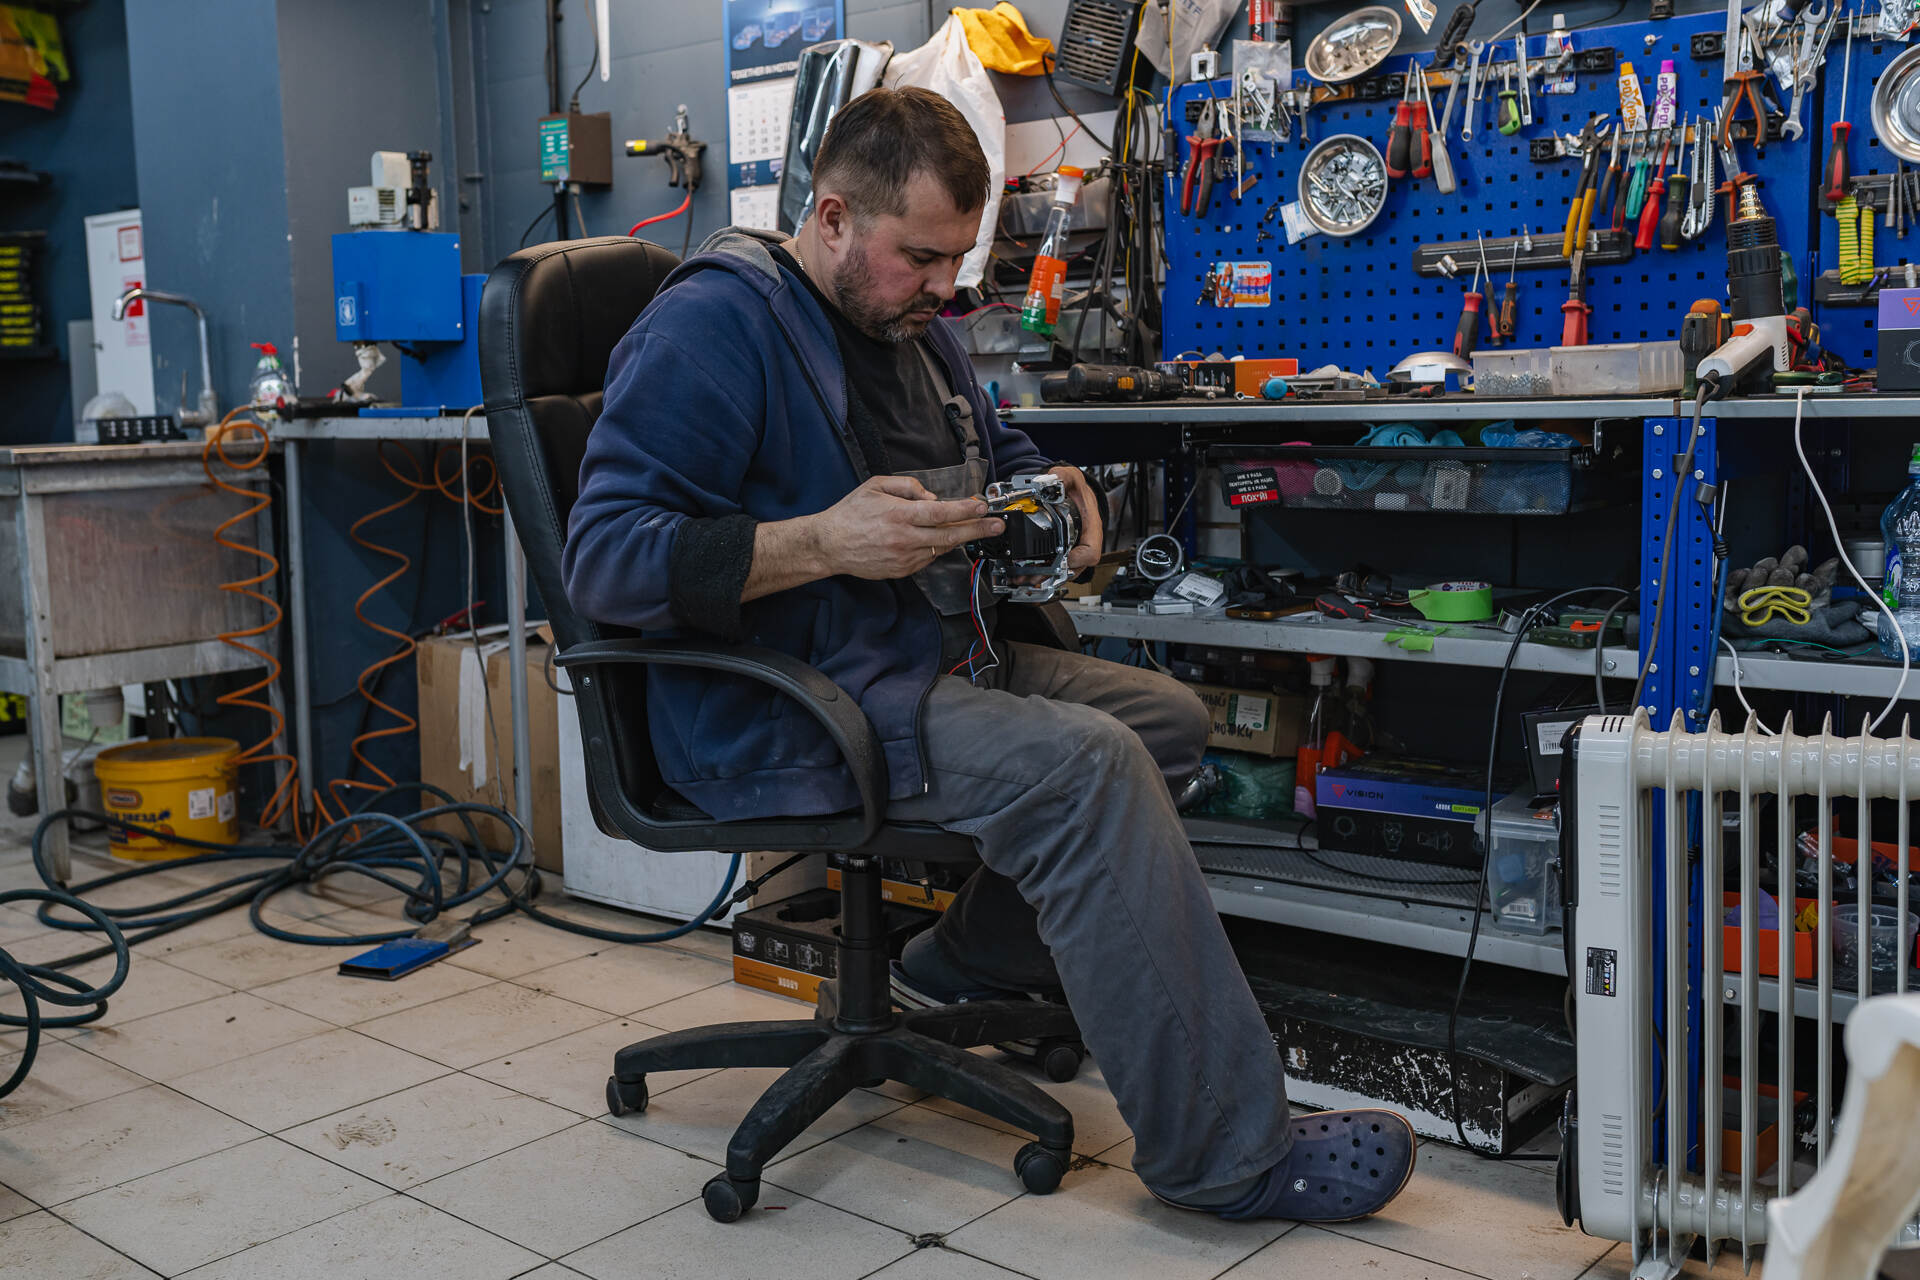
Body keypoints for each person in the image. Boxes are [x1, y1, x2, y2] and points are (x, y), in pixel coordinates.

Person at [562, 85, 1415, 1222]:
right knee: (1087, 770)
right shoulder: (714, 327)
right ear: (831, 219)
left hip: (921, 658)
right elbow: (605, 561)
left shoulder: (911, 329)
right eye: (920, 257)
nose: (944, 287)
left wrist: (1052, 486)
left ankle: (953, 967)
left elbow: (996, 446)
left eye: (957, 259)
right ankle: (1224, 1157)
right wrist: (822, 541)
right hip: (797, 704)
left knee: (1167, 721)